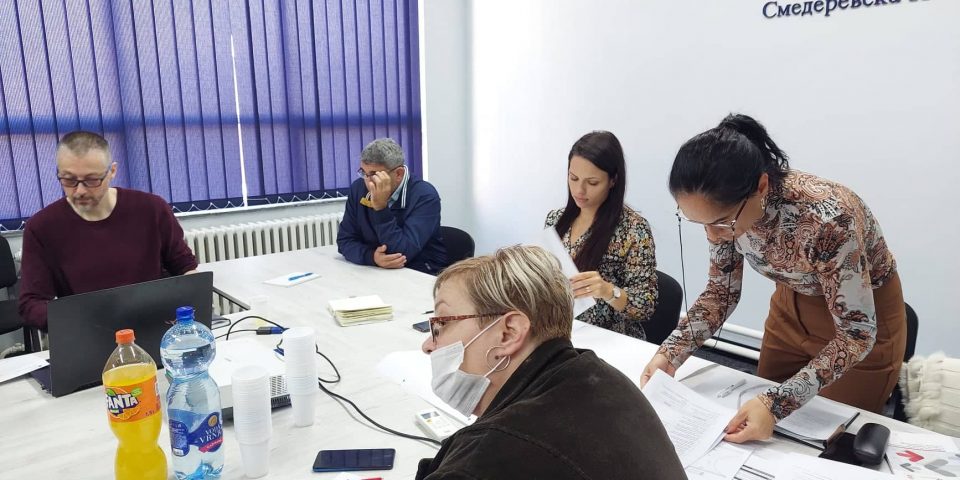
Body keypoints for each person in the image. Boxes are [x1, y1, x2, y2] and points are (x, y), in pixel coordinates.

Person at [641, 114, 906, 444]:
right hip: (789, 309)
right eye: (699, 223)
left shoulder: (829, 218)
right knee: (757, 431)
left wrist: (776, 404)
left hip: (860, 319)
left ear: (762, 187)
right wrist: (670, 353)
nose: (713, 235)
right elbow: (721, 293)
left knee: (830, 440)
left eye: (721, 222)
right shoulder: (726, 213)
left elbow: (856, 334)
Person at [416, 245, 684, 479]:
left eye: (441, 324)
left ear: (509, 333)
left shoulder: (486, 461)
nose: (428, 345)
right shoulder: (603, 378)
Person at [18, 131, 198, 330]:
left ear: (112, 171)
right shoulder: (42, 227)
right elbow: (31, 303)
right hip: (88, 332)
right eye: (69, 180)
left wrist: (193, 308)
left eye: (92, 180)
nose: (80, 191)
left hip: (153, 327)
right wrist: (78, 320)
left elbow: (185, 267)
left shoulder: (152, 209)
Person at [544, 131, 658, 340]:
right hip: (561, 330)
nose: (579, 190)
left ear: (613, 180)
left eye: (592, 182)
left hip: (609, 338)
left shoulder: (634, 229)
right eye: (573, 178)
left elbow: (645, 306)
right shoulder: (556, 219)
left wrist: (607, 291)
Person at [337, 138, 448, 274]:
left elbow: (401, 253)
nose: (368, 182)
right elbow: (344, 240)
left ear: (398, 174)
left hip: (420, 272)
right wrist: (372, 257)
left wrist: (381, 208)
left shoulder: (425, 195)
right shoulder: (358, 188)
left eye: (374, 175)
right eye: (364, 173)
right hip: (377, 271)